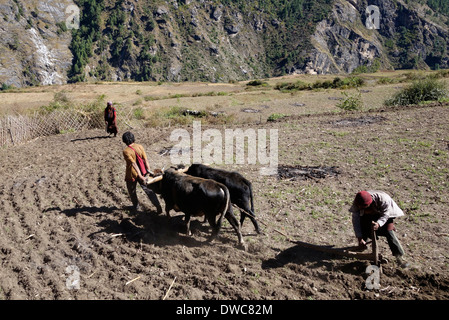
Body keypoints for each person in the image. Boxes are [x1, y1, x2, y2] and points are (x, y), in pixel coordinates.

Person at [349, 190, 408, 267]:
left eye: (363, 207)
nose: (360, 208)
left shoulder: (383, 199)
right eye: (360, 207)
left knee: (388, 231)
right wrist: (359, 238)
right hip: (370, 214)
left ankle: (399, 257)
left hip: (384, 214)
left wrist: (379, 224)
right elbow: (356, 220)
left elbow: (385, 215)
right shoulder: (357, 202)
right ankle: (362, 246)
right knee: (363, 224)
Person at [122, 131, 162, 214]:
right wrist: (148, 172)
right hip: (144, 172)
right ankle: (158, 206)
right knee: (149, 191)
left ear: (124, 141)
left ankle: (136, 207)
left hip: (132, 174)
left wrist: (139, 176)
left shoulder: (126, 151)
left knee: (132, 192)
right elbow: (145, 159)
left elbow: (133, 164)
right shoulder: (140, 146)